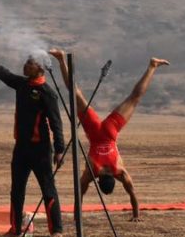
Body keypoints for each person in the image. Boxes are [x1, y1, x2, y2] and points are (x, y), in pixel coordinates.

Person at [50, 48, 169, 221]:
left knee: (134, 98)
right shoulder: (92, 172)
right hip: (94, 131)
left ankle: (152, 66)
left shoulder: (119, 171)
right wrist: (77, 218)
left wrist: (136, 214)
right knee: (74, 94)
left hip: (110, 131)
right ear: (99, 181)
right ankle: (61, 59)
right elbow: (79, 194)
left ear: (113, 178)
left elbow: (133, 194)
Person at [0, 47, 64, 237]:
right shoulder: (21, 84)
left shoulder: (47, 93)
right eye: (26, 62)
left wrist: (59, 150)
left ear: (41, 69)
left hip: (41, 149)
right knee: (17, 189)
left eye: (30, 63)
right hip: (21, 148)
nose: (25, 66)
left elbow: (56, 123)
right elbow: (3, 73)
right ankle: (15, 228)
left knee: (48, 189)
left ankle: (57, 230)